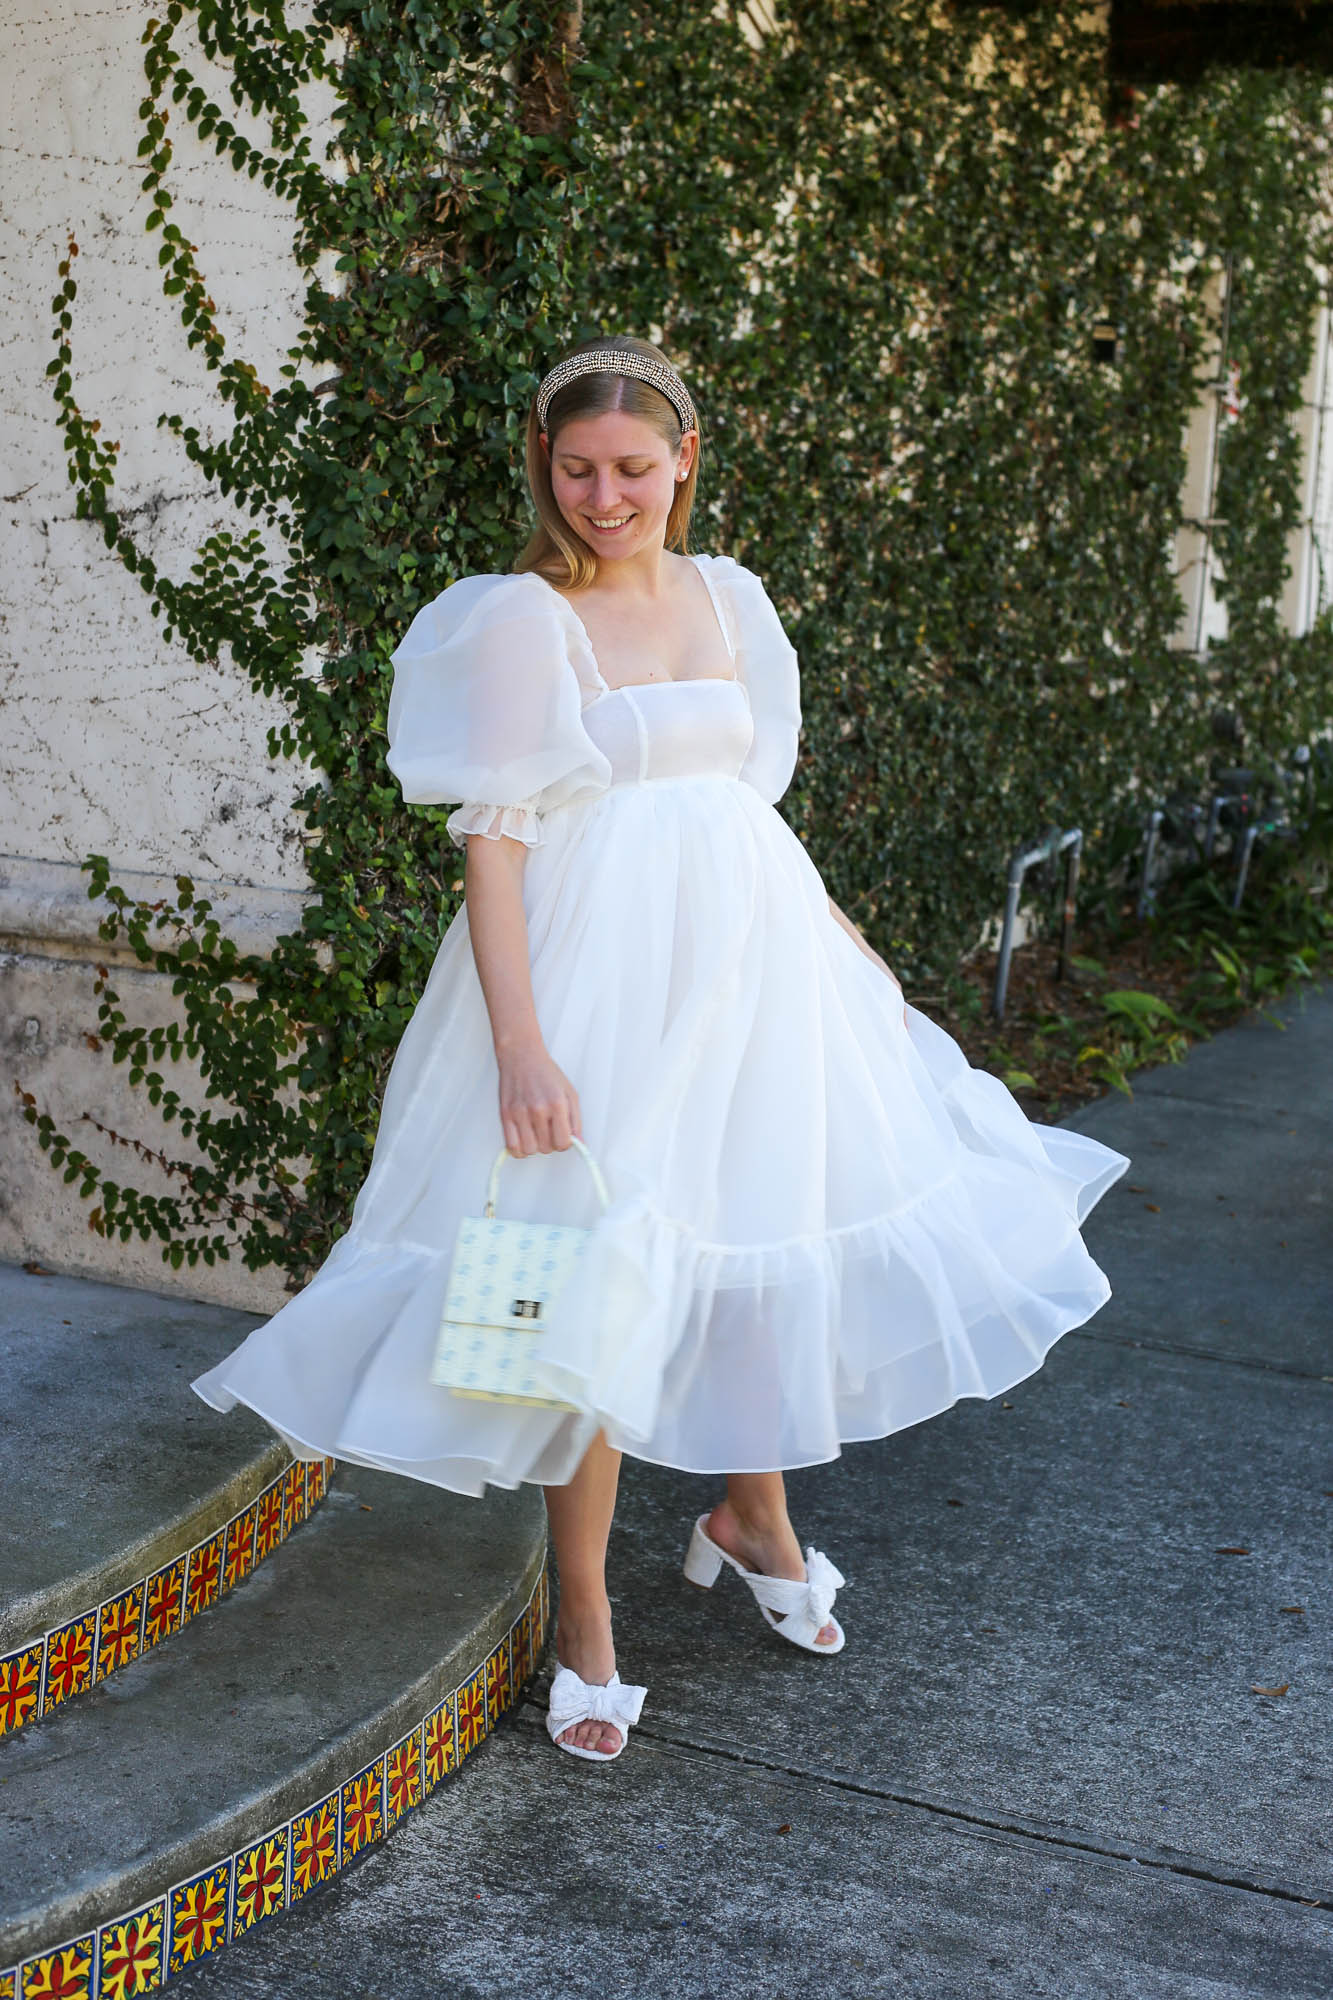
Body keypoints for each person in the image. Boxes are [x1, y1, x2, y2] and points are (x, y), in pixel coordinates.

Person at [193, 333, 1130, 1764]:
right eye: (575, 469)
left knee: (746, 1232)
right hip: (590, 976)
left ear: (686, 462)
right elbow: (495, 848)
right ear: (543, 468)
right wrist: (521, 1047)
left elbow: (742, 807)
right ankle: (583, 1618)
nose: (602, 495)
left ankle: (751, 1513)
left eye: (632, 467)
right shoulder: (517, 617)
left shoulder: (730, 598)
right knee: (578, 1277)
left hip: (753, 968)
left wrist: (849, 954)